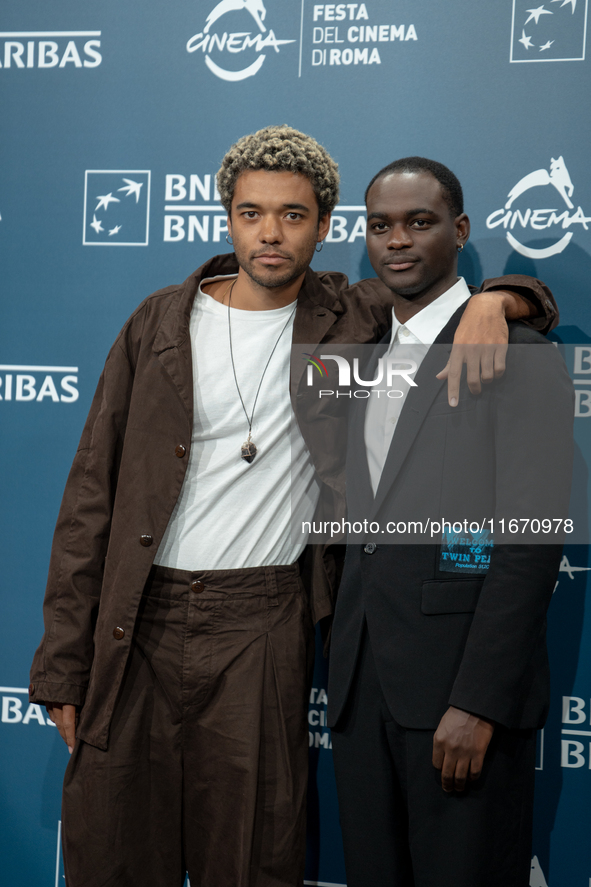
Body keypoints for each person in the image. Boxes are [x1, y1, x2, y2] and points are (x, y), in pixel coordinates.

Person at [29, 128, 558, 887]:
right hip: (137, 615)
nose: (270, 233)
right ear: (226, 217)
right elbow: (89, 497)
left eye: (293, 215)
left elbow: (441, 297)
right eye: (250, 213)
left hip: (264, 617)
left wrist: (504, 300)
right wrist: (62, 661)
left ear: (324, 226)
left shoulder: (347, 313)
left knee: (249, 853)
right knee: (113, 846)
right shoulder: (157, 323)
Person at [327, 157, 574, 887]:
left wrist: (477, 701)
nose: (396, 240)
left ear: (459, 231)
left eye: (418, 222)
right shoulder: (358, 351)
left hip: (458, 700)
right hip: (359, 689)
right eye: (379, 225)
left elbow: (528, 545)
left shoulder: (517, 352)